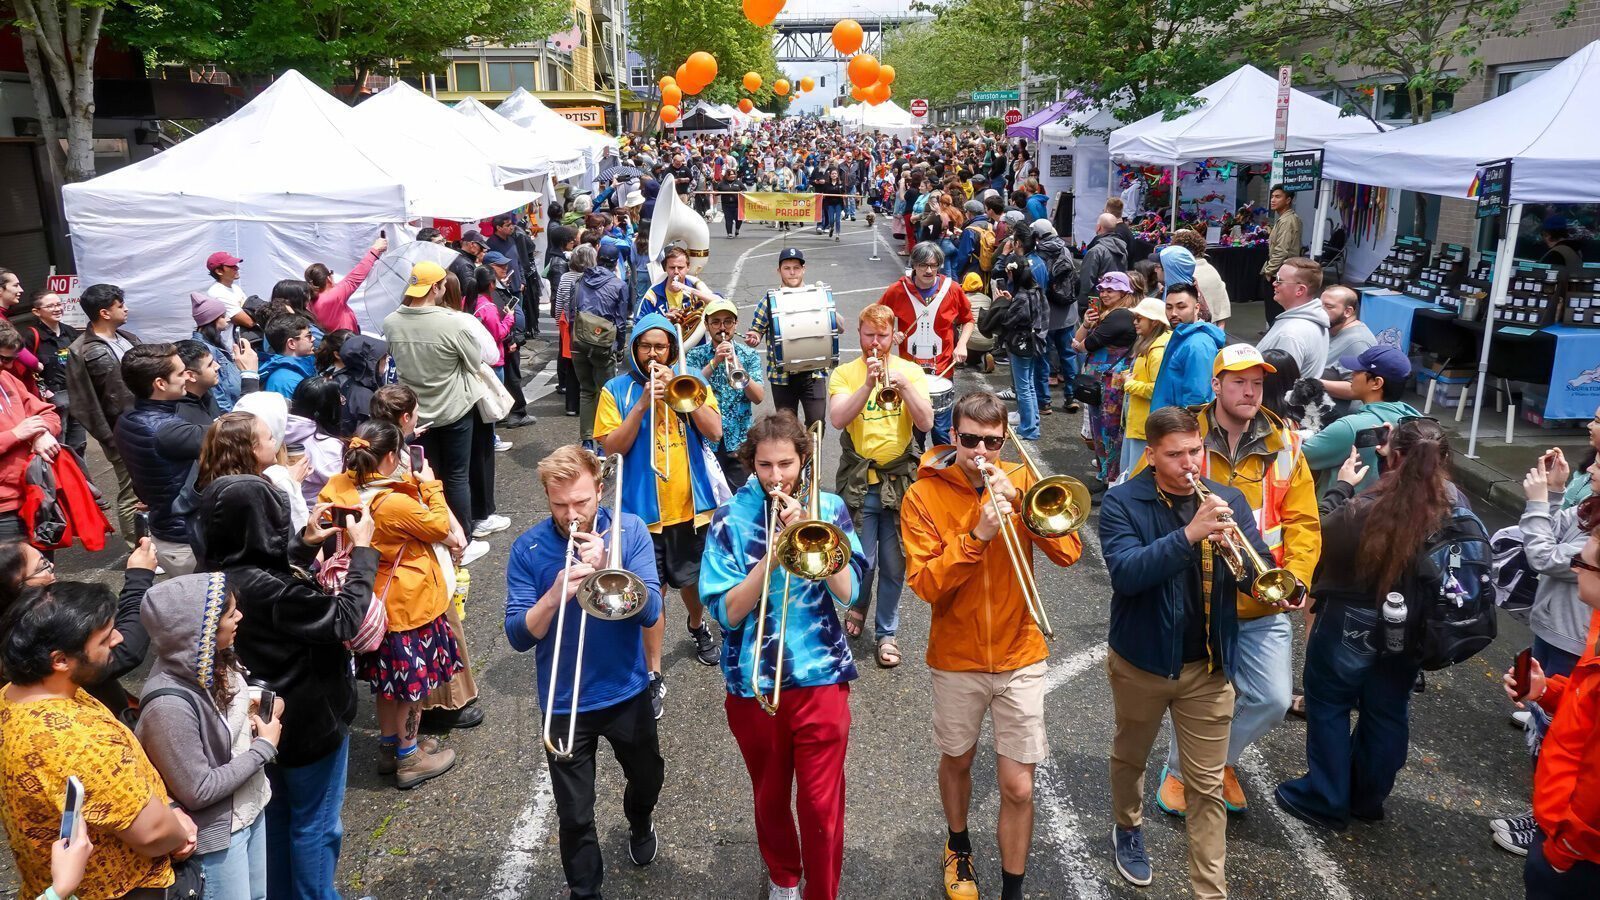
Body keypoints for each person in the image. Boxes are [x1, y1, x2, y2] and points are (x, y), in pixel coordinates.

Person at [900, 391, 1083, 900]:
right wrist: (976, 535)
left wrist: (1023, 505)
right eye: (972, 439)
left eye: (994, 441)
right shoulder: (922, 496)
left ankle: (1012, 891)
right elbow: (925, 585)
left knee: (1019, 785)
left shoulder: (1021, 480)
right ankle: (958, 844)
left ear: (1005, 439)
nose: (983, 451)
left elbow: (1069, 553)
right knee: (957, 760)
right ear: (952, 436)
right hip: (957, 657)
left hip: (1020, 652)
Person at [1099, 405, 1268, 898]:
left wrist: (1274, 580)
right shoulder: (1123, 504)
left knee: (1206, 786)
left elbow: (1257, 571)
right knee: (1131, 756)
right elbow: (1127, 574)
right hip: (1141, 662)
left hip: (1208, 667)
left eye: (1195, 451)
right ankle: (1127, 826)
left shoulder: (1228, 498)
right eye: (1175, 455)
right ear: (1151, 455)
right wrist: (1190, 535)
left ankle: (1208, 891)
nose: (1190, 463)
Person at [1276, 417, 1475, 831]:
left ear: (1394, 454)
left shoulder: (1366, 507)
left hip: (1353, 620)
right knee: (1386, 710)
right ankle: (1367, 797)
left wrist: (1343, 485)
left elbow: (1319, 536)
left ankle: (1326, 797)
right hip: (1414, 627)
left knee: (1329, 705)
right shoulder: (1455, 503)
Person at [700, 412, 867, 900]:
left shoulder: (829, 506)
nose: (777, 476)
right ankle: (784, 878)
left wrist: (812, 529)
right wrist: (770, 559)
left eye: (787, 464)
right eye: (766, 465)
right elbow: (727, 614)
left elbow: (849, 589)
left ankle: (823, 892)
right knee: (771, 796)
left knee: (820, 803)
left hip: (820, 675)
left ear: (803, 460)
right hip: (753, 682)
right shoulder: (729, 519)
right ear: (752, 463)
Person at [1147, 346, 1318, 817]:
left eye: (1258, 383)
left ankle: (1213, 764)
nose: (1250, 391)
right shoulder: (1183, 435)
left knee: (1272, 698)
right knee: (1200, 700)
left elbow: (1304, 520)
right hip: (1199, 596)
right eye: (1239, 382)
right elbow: (1148, 498)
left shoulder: (1287, 443)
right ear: (1216, 385)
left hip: (1264, 596)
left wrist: (1296, 578)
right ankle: (1184, 772)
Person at [193, 473, 378, 900]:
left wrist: (304, 543)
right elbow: (343, 619)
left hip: (255, 721)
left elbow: (259, 568)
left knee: (274, 817)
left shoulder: (212, 577)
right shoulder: (272, 590)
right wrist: (364, 552)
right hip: (308, 719)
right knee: (316, 823)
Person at [504, 444, 665, 900]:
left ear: (599, 488)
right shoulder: (528, 548)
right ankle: (585, 891)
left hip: (626, 690)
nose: (571, 514)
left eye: (581, 502)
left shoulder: (629, 530)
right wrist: (555, 594)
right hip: (565, 701)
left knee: (648, 777)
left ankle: (639, 819)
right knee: (574, 815)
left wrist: (610, 567)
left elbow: (651, 610)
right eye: (559, 505)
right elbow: (518, 635)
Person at [0, 582, 198, 900]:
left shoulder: (13, 696)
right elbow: (152, 833)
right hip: (126, 887)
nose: (118, 639)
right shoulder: (79, 741)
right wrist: (179, 833)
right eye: (105, 639)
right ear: (60, 660)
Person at [319, 420, 462, 789]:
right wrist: (429, 483)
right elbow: (437, 524)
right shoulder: (393, 503)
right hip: (407, 604)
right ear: (388, 458)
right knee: (412, 687)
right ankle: (410, 756)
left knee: (387, 685)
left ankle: (390, 746)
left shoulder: (338, 488)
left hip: (372, 602)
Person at [595, 313, 725, 716]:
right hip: (638, 514)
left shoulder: (692, 383)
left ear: (672, 348)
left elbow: (717, 432)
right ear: (634, 349)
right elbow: (610, 448)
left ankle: (696, 624)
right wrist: (641, 406)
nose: (653, 354)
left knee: (690, 580)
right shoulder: (615, 390)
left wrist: (683, 396)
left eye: (661, 346)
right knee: (653, 592)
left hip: (688, 508)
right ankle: (653, 673)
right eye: (645, 346)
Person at [136, 573, 278, 900]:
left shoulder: (214, 662)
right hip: (218, 834)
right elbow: (198, 789)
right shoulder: (167, 706)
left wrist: (255, 705)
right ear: (199, 631)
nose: (239, 616)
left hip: (249, 808)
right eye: (229, 614)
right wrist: (264, 748)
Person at [1505, 495, 1600, 898]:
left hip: (1577, 854)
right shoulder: (1597, 627)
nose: (1575, 567)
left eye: (1582, 563)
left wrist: (1565, 849)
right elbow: (1586, 708)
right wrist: (1548, 693)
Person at [829, 304, 933, 667]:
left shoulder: (910, 371)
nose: (876, 343)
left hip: (901, 482)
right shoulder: (845, 374)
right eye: (869, 335)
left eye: (883, 336)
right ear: (859, 335)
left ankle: (887, 631)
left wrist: (901, 385)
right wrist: (869, 385)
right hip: (861, 483)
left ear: (894, 336)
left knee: (894, 563)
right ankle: (858, 606)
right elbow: (839, 419)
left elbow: (926, 420)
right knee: (863, 560)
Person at [384, 262, 505, 541]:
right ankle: (464, 538)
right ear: (437, 287)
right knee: (457, 475)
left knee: (427, 472)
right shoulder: (452, 322)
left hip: (415, 413)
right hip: (455, 408)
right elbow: (475, 361)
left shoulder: (391, 322)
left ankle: (436, 532)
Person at [114, 343, 204, 574]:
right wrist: (249, 377)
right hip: (188, 541)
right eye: (181, 373)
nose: (188, 376)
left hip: (166, 531)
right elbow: (240, 433)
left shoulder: (127, 419)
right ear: (160, 383)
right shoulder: (168, 431)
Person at [66, 283, 142, 546]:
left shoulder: (129, 338)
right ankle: (136, 546)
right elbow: (83, 401)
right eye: (120, 305)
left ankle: (151, 538)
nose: (126, 308)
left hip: (145, 423)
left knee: (148, 483)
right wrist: (109, 438)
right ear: (104, 312)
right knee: (131, 488)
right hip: (119, 430)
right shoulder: (82, 350)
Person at [878, 242, 975, 445]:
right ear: (914, 265)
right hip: (910, 372)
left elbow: (968, 320)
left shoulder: (953, 289)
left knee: (941, 430)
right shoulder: (897, 290)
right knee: (914, 431)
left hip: (942, 369)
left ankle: (942, 472)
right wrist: (891, 333)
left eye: (933, 265)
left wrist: (962, 344)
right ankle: (914, 471)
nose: (929, 270)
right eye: (923, 265)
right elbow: (877, 318)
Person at [1301, 345, 1420, 494]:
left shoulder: (1351, 427)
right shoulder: (1415, 421)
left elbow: (1300, 456)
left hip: (1341, 511)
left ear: (1377, 383)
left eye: (1358, 371)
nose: (1352, 374)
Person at [744, 248, 837, 428]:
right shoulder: (770, 300)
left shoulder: (816, 295)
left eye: (796, 267)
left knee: (817, 423)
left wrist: (831, 310)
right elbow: (756, 330)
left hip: (813, 372)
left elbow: (837, 326)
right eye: (787, 268)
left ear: (804, 269)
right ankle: (793, 457)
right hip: (782, 376)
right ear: (779, 271)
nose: (792, 272)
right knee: (786, 427)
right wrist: (753, 337)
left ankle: (810, 457)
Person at [687, 298, 765, 486]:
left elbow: (758, 397)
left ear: (736, 324)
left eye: (728, 322)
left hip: (739, 441)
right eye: (716, 322)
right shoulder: (695, 355)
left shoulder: (749, 355)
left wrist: (737, 365)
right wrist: (714, 363)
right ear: (706, 325)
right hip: (704, 441)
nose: (722, 327)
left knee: (738, 499)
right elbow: (689, 390)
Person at [1074, 273, 1139, 485]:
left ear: (1124, 291)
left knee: (1110, 432)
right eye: (1102, 289)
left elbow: (1084, 345)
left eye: (1110, 290)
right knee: (1099, 430)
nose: (1104, 293)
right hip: (1102, 385)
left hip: (1112, 386)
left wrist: (1081, 342)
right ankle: (1104, 476)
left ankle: (1111, 481)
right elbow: (1078, 343)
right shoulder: (1108, 314)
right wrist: (1085, 324)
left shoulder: (1120, 316)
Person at [571, 244, 630, 449]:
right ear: (615, 263)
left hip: (579, 342)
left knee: (586, 391)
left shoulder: (579, 281)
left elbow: (572, 313)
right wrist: (620, 347)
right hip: (604, 344)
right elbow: (621, 321)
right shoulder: (618, 285)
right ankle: (606, 443)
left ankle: (587, 442)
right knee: (609, 392)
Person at [22, 292, 85, 458]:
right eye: (50, 306)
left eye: (58, 304)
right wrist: (46, 392)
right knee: (59, 444)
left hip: (76, 395)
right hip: (52, 398)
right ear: (37, 311)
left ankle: (83, 481)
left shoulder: (70, 332)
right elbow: (25, 371)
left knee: (79, 443)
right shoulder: (31, 337)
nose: (57, 309)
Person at [1149, 283, 1227, 413]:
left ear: (1196, 308)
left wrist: (1183, 430)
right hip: (1168, 421)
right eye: (1169, 307)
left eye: (1181, 307)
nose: (1173, 313)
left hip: (1179, 426)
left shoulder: (1197, 344)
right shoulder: (1182, 337)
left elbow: (1197, 400)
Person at [1119, 297, 1172, 477]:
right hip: (1139, 424)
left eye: (1139, 318)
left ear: (1154, 322)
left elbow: (1158, 389)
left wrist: (1130, 384)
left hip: (1144, 427)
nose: (1135, 322)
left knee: (1136, 476)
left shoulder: (1157, 351)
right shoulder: (1151, 343)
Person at [1257, 257, 1329, 381]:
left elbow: (1279, 384)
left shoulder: (1291, 335)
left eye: (1279, 280)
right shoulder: (1313, 321)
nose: (1274, 283)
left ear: (1300, 290)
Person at [191, 291, 259, 414]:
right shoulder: (205, 351)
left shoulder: (214, 345)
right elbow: (216, 392)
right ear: (211, 320)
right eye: (222, 316)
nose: (227, 319)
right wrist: (229, 416)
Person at [306, 236, 387, 333]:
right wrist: (375, 249)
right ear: (328, 278)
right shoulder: (334, 296)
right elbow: (355, 276)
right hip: (346, 342)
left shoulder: (309, 302)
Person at [638, 247, 718, 344]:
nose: (676, 272)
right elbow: (639, 324)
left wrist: (688, 289)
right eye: (672, 267)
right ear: (665, 268)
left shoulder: (697, 290)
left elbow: (720, 303)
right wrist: (663, 321)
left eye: (680, 268)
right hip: (665, 347)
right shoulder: (653, 295)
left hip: (695, 347)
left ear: (688, 267)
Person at [1317, 287, 1377, 418]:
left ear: (1348, 311)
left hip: (1339, 419)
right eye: (1319, 305)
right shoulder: (1330, 330)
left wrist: (1313, 382)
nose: (1320, 311)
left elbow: (1357, 388)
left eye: (1328, 306)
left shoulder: (1357, 342)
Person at [1261, 186, 1303, 324]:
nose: (1273, 200)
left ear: (1288, 200)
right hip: (1280, 270)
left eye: (1278, 197)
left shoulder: (1287, 220)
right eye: (1272, 196)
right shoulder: (1285, 218)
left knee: (1275, 312)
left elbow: (1281, 250)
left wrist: (1269, 271)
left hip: (1279, 271)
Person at [330, 335, 388, 437]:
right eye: (383, 357)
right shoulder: (365, 396)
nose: (387, 360)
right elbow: (373, 437)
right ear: (371, 363)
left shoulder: (339, 379)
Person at [1171, 230, 1230, 327]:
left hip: (1191, 330)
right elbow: (1223, 310)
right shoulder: (1212, 270)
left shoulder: (1185, 273)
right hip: (1212, 329)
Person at [1079, 214, 1129, 300]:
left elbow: (1086, 284)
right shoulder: (1123, 248)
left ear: (1098, 227)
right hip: (1116, 300)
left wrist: (1083, 307)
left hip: (1098, 302)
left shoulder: (1095, 251)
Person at [205, 251, 255, 333]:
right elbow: (249, 322)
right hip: (229, 344)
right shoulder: (218, 293)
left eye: (235, 265)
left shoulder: (235, 288)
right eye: (231, 266)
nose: (237, 268)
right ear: (219, 271)